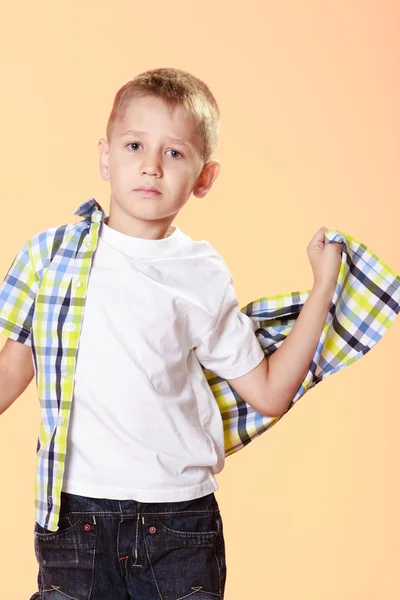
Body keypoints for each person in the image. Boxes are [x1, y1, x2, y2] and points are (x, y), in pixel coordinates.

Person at [0, 67, 341, 600]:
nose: (151, 167)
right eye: (135, 145)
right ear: (106, 157)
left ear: (204, 178)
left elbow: (271, 393)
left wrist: (322, 288)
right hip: (74, 519)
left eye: (175, 153)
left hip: (179, 523)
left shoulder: (201, 272)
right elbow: (10, 372)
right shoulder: (49, 256)